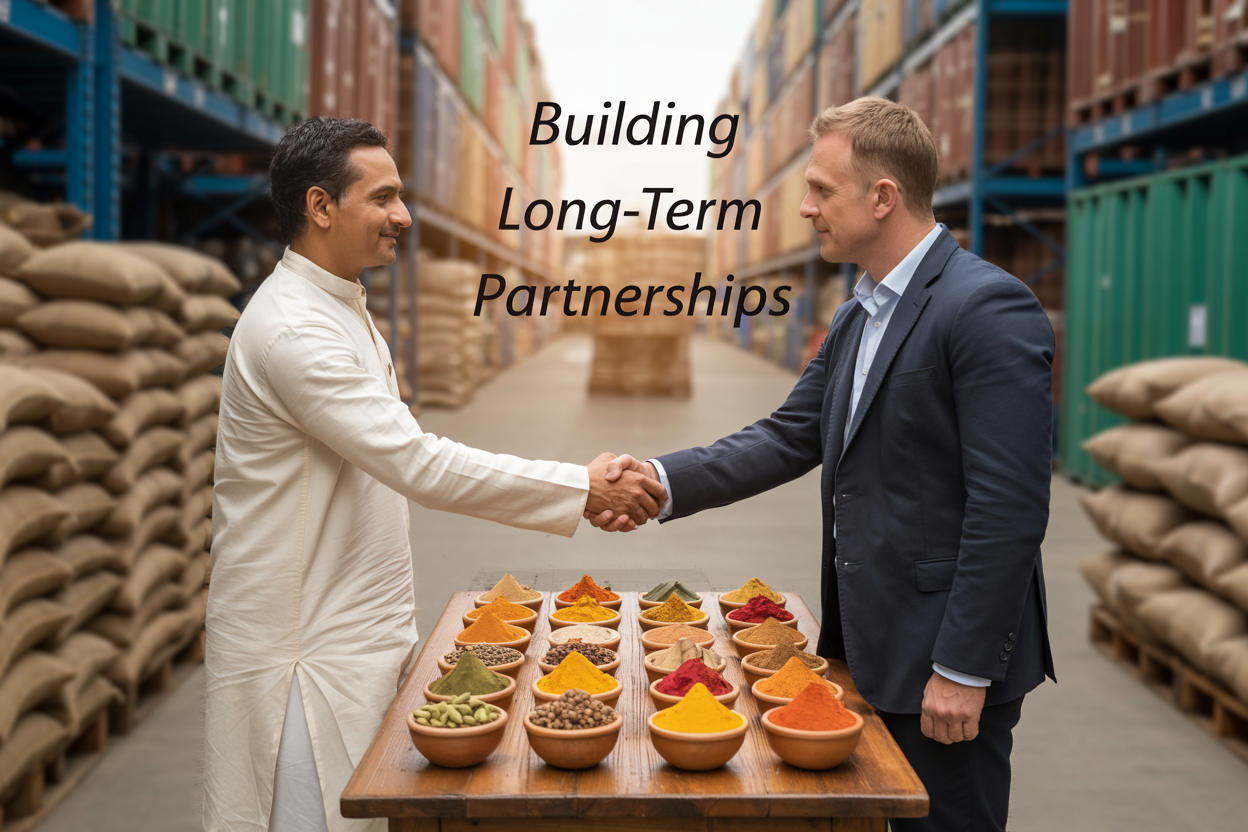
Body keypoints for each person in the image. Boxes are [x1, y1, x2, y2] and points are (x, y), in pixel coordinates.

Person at [594, 98, 1055, 832]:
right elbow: (786, 435)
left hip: (944, 657)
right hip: (871, 642)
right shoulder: (858, 313)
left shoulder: (985, 308)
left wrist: (964, 669)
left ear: (883, 197)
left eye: (820, 190)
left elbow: (1011, 507)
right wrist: (658, 479)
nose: (805, 208)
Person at [202, 117, 664, 832]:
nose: (403, 216)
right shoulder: (295, 329)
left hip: (355, 637)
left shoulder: (340, 308)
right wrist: (582, 486)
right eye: (383, 198)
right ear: (322, 207)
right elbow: (417, 462)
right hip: (304, 661)